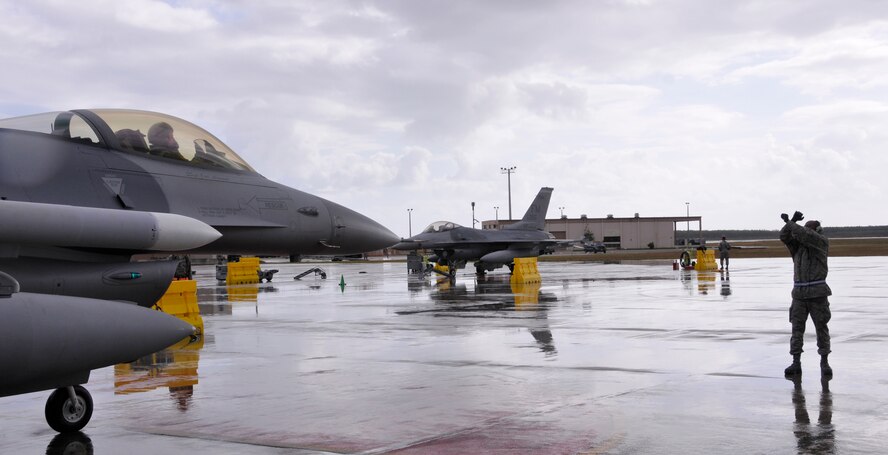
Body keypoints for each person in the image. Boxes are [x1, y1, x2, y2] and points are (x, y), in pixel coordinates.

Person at [780, 211, 832, 377]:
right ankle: (796, 363)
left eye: (810, 227)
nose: (806, 229)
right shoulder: (798, 247)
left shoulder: (821, 242)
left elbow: (805, 234)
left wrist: (791, 222)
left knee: (821, 329)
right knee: (796, 330)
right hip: (799, 296)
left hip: (817, 295)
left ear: (817, 230)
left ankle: (824, 362)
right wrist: (792, 222)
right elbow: (784, 236)